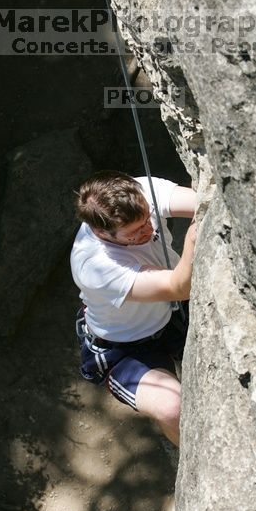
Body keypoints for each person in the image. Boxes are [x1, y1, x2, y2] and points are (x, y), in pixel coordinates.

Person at [71, 170, 196, 446]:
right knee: (174, 409)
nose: (148, 230)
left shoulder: (139, 192)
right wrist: (193, 239)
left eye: (146, 219)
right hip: (124, 348)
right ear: (101, 232)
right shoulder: (94, 266)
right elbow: (179, 286)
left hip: (169, 311)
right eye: (134, 233)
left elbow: (202, 202)